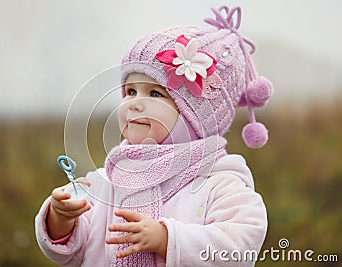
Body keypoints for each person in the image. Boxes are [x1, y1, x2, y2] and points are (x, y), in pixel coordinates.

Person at [35, 5, 273, 267]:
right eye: (131, 92)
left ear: (195, 117)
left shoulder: (219, 183)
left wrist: (167, 239)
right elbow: (72, 252)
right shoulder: (107, 181)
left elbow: (240, 245)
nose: (134, 104)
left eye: (155, 94)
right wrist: (61, 219)